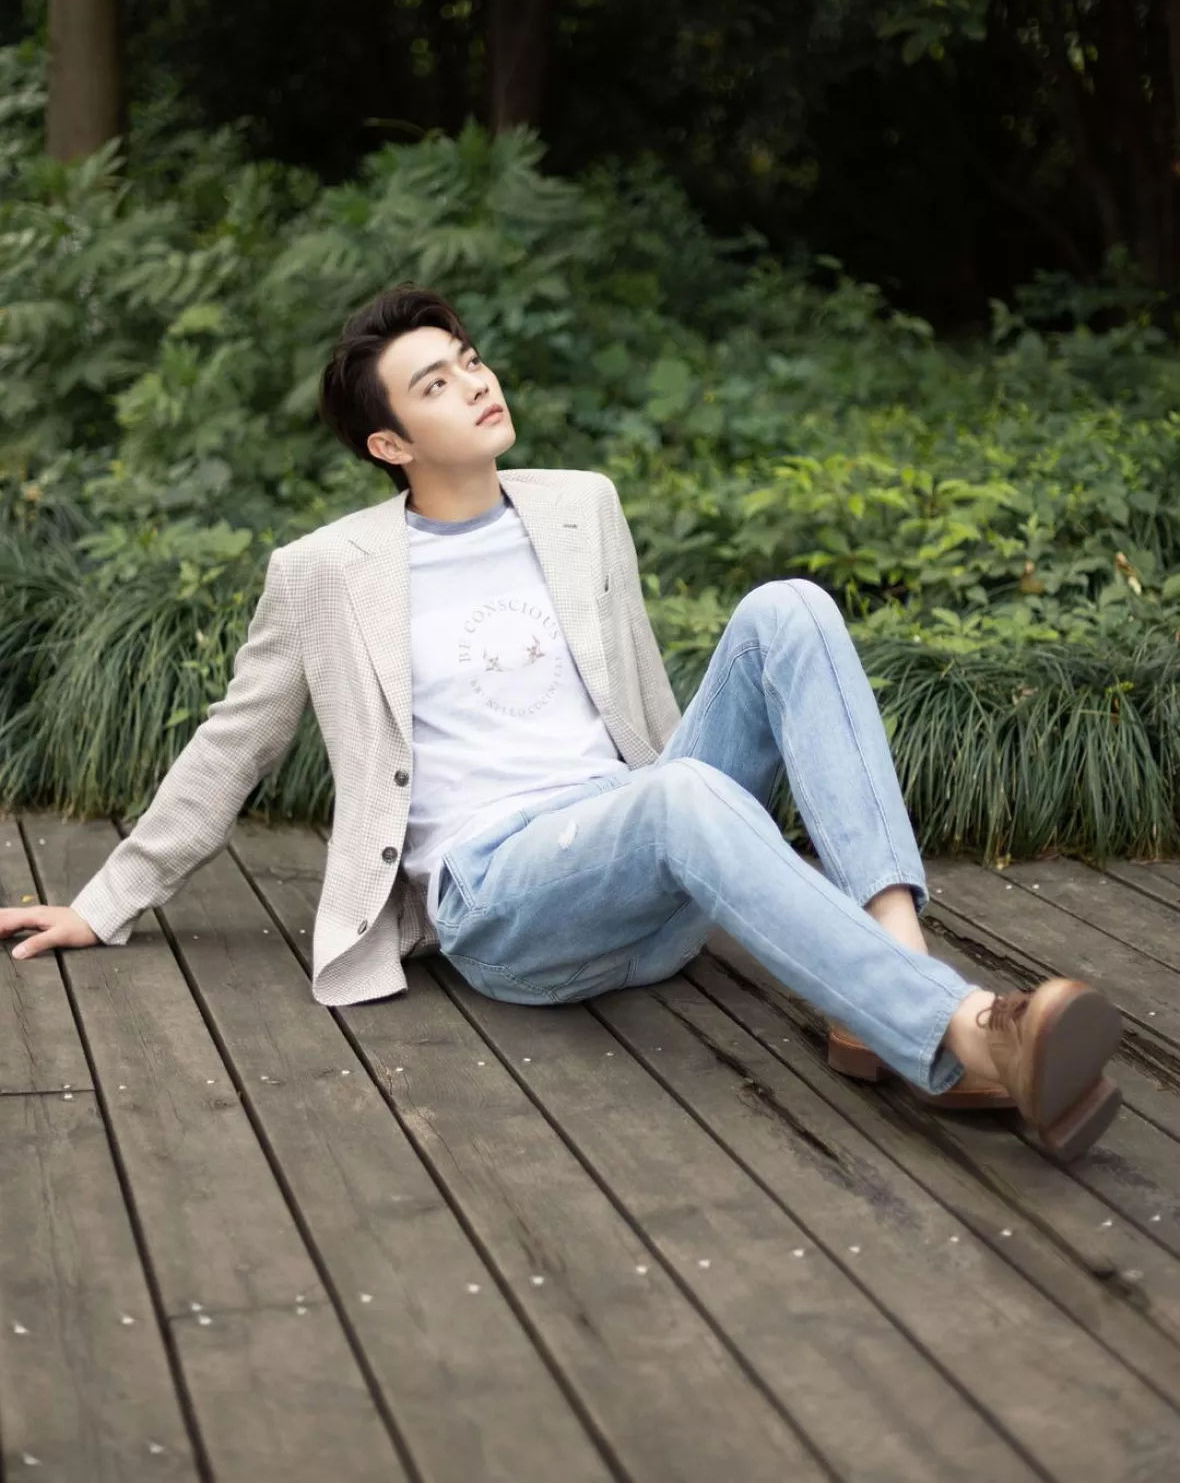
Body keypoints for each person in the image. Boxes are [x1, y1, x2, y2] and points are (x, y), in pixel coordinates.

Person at [0, 284, 1124, 1162]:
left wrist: (671, 790)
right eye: (435, 382)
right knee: (681, 796)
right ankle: (967, 1034)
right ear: (390, 443)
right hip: (505, 899)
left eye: (469, 359)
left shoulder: (581, 503)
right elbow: (234, 739)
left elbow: (639, 716)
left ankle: (894, 981)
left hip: (644, 847)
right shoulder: (327, 572)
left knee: (789, 608)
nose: (475, 382)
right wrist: (107, 902)